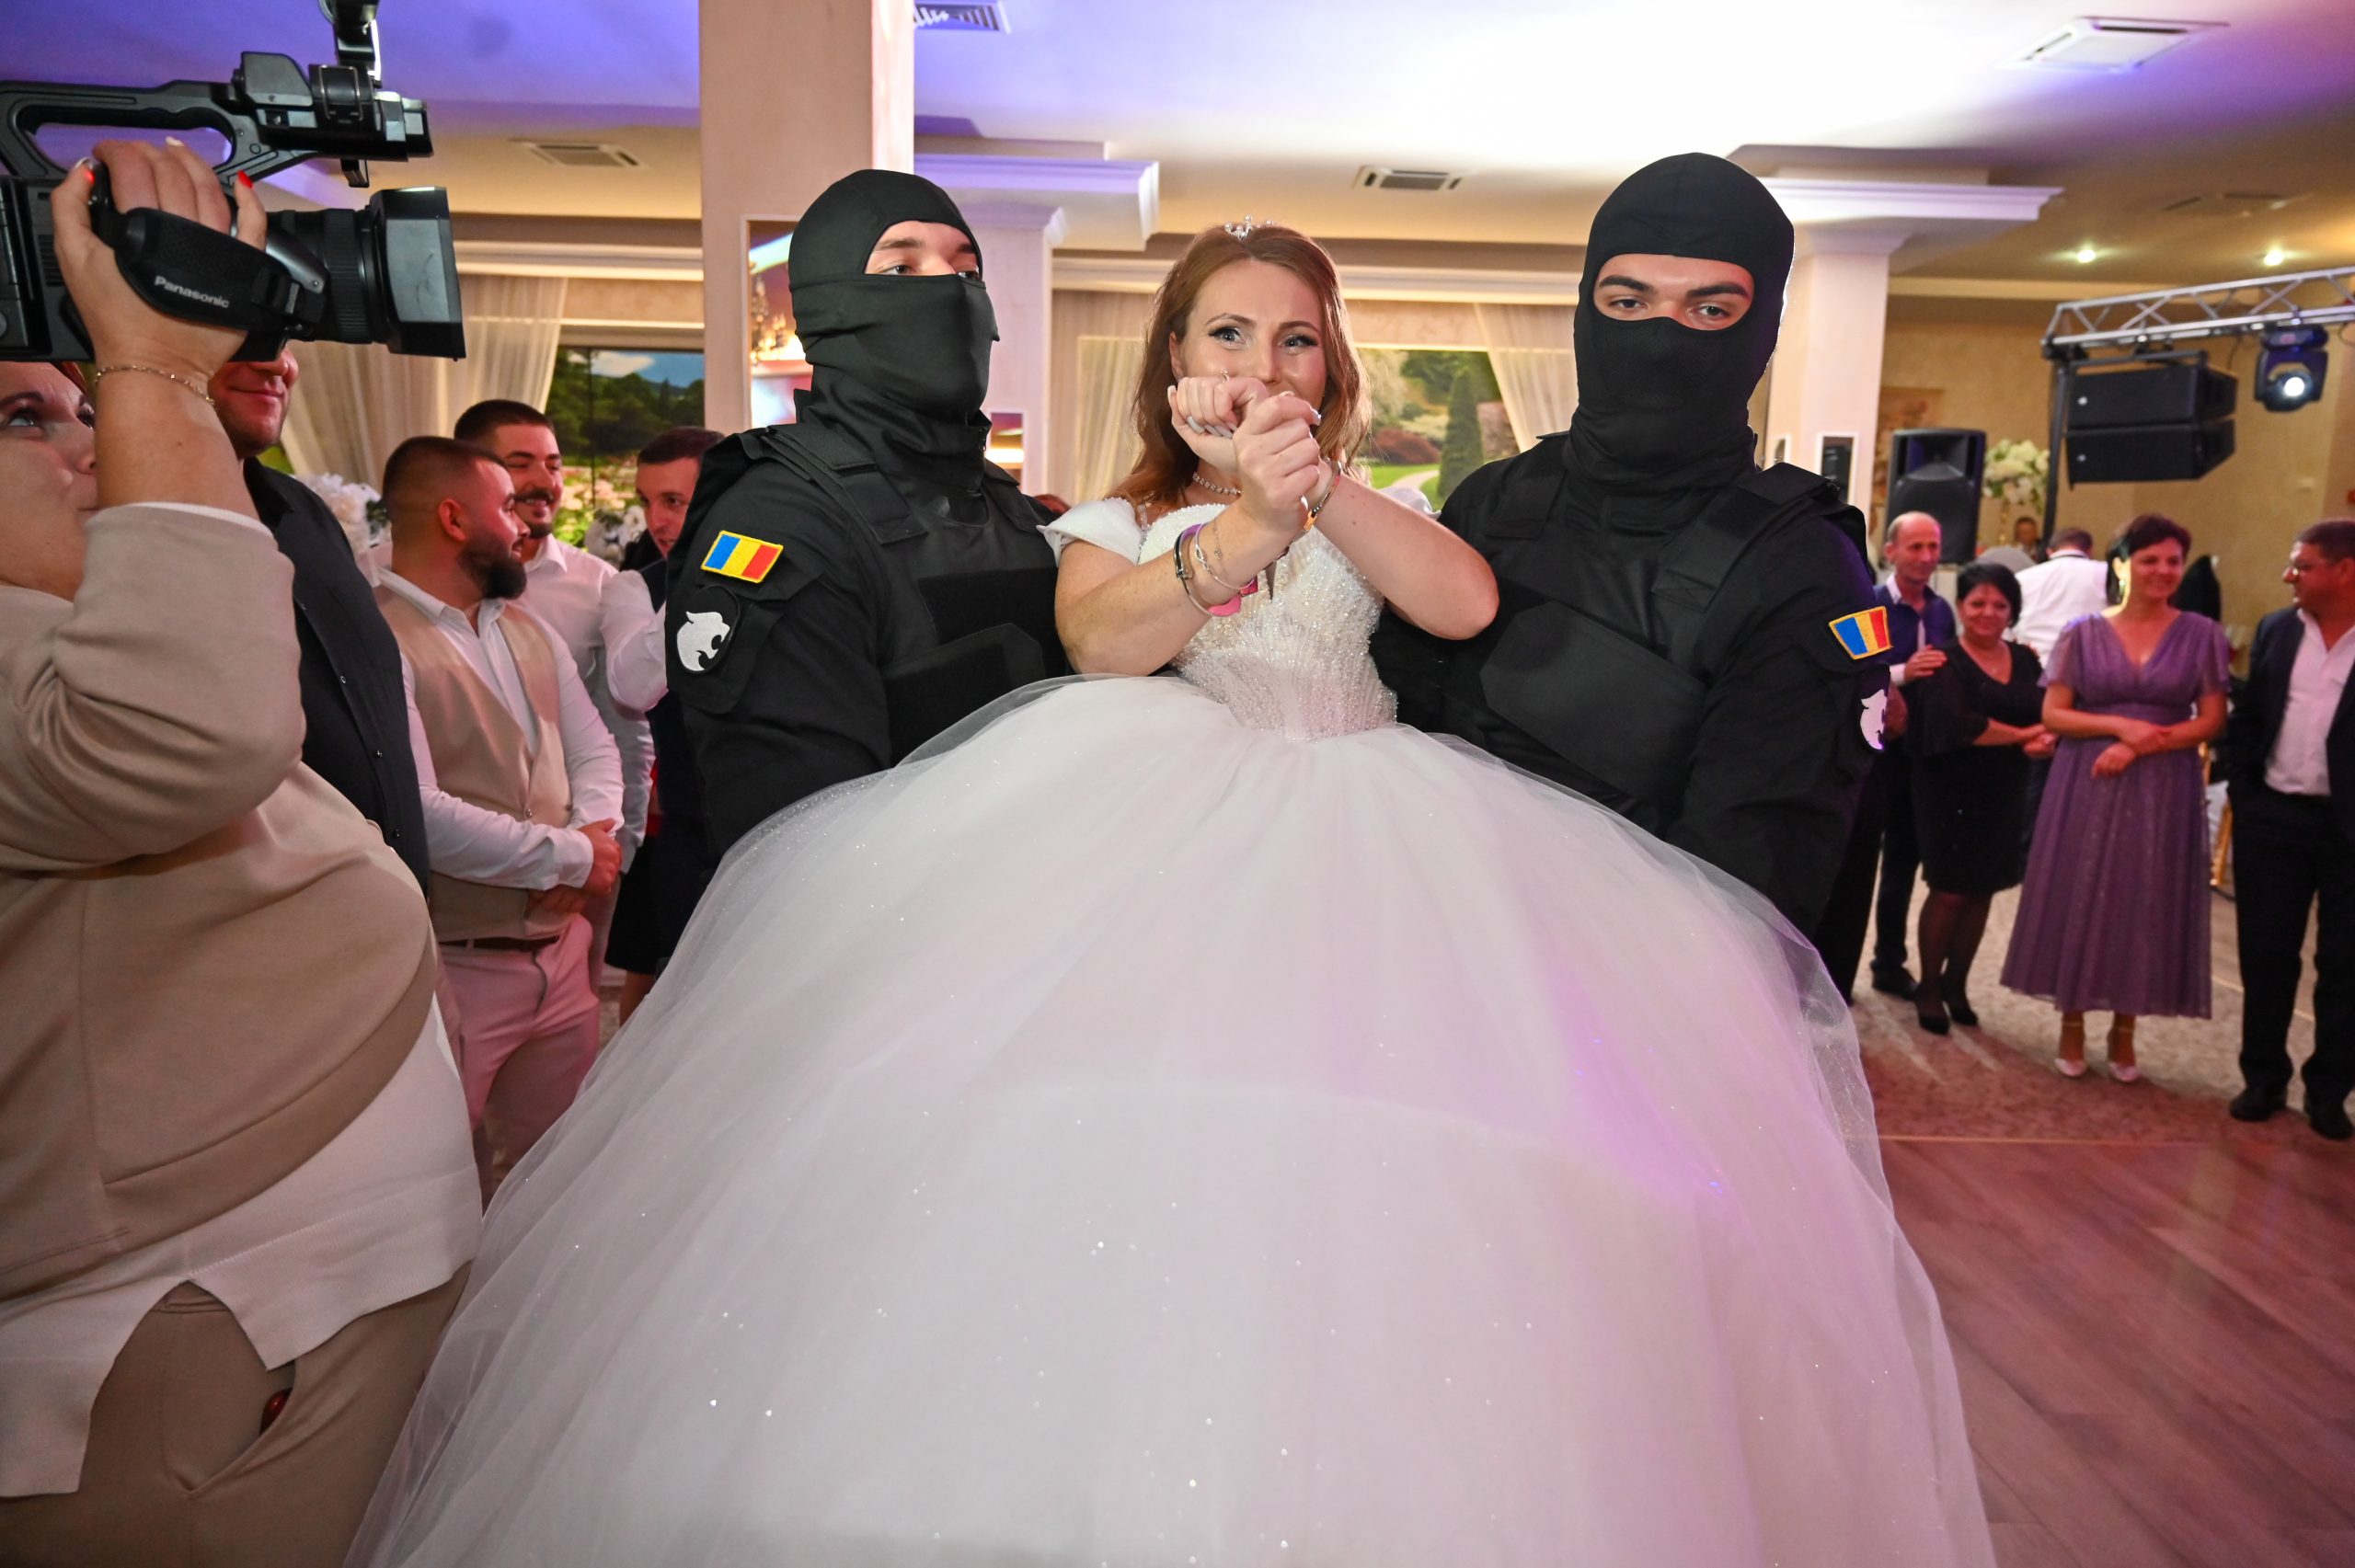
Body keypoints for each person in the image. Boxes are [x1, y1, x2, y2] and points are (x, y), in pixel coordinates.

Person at [350, 219, 1993, 1568]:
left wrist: (1318, 490)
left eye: (1295, 339)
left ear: (1331, 367)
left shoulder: (1378, 507)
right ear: (1172, 360)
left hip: (1391, 848)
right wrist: (1237, 529)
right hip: (1156, 835)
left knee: (1394, 1180)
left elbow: (1463, 603)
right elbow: (1102, 642)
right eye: (1226, 333)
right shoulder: (1111, 517)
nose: (1261, 362)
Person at [0, 140, 476, 1568]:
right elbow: (195, 725)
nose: (90, 446)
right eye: (25, 416)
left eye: (87, 405)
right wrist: (154, 364)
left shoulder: (78, 628)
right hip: (185, 1348)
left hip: (273, 1319)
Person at [1373, 153, 1886, 936]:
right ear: (1586, 310)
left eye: (1709, 310)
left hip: (1631, 972)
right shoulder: (1494, 501)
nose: (1661, 341)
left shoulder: (1803, 568)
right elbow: (1392, 737)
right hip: (1425, 923)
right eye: (1629, 301)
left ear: (1763, 334)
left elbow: (1754, 885)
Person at [666, 170, 1070, 854]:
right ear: (831, 308)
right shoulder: (780, 520)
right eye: (902, 269)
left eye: (967, 271)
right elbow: (795, 840)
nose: (950, 291)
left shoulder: (1013, 509)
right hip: (895, 911)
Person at [375, 436, 625, 1196]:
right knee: (440, 1184)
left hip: (561, 956)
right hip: (455, 964)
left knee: (563, 1179)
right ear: (454, 519)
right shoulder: (380, 636)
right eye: (507, 506)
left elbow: (594, 749)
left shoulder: (526, 627)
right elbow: (418, 812)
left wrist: (595, 834)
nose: (523, 525)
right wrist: (572, 859)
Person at [2002, 513, 2229, 1079]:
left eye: (2173, 561)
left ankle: (2125, 1030)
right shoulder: (2082, 632)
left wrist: (2140, 745)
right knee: (2082, 888)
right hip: (2087, 776)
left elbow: (2211, 720)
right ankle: (2072, 1021)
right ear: (2122, 566)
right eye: (2150, 559)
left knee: (2145, 896)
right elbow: (2056, 713)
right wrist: (2119, 727)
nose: (2163, 570)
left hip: (2164, 782)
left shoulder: (2202, 633)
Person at [207, 346, 431, 888]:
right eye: (241, 338)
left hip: (384, 900)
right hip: (266, 917)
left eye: (283, 340)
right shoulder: (116, 523)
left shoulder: (304, 511)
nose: (276, 364)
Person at [454, 399, 654, 967]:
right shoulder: (386, 575)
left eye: (554, 464)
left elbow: (621, 729)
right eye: (521, 464)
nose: (544, 481)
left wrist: (611, 847)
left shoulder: (598, 584)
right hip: (451, 860)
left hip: (580, 849)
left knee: (576, 1007)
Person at [2225, 520, 2355, 1140]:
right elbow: (2252, 714)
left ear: (2345, 571)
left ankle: (2329, 1092)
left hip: (2348, 828)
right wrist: (2244, 793)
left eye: (2302, 566)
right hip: (2274, 816)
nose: (2289, 575)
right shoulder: (2278, 628)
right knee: (2267, 953)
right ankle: (2263, 1077)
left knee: (2346, 965)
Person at [604, 425, 723, 1023]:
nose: (656, 519)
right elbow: (632, 686)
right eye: (648, 501)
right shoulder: (636, 589)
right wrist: (713, 576)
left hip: (790, 826)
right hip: (689, 838)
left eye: (673, 500)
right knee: (682, 1015)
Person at [1906, 562, 2053, 1033]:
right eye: (1978, 603)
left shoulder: (2026, 660)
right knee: (1950, 890)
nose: (1988, 613)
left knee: (1983, 890)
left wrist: (2044, 736)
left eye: (2000, 605)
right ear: (1961, 607)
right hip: (1949, 789)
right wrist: (2024, 735)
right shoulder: (1942, 660)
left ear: (2013, 611)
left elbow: (2048, 709)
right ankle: (1929, 987)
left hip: (2006, 788)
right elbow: (1959, 726)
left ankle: (1958, 984)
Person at [1867, 511, 1958, 998]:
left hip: (1924, 754)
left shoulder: (1942, 611)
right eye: (1916, 546)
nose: (1926, 557)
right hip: (1877, 749)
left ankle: (1889, 963)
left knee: (1903, 860)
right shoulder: (1871, 604)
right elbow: (1858, 670)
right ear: (1891, 552)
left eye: (1933, 547)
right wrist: (1906, 671)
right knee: (1859, 859)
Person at [2013, 527, 2110, 662]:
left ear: (2049, 552)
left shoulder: (2022, 578)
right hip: (2089, 663)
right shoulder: (2107, 574)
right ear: (2090, 551)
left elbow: (2009, 626)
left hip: (2035, 662)